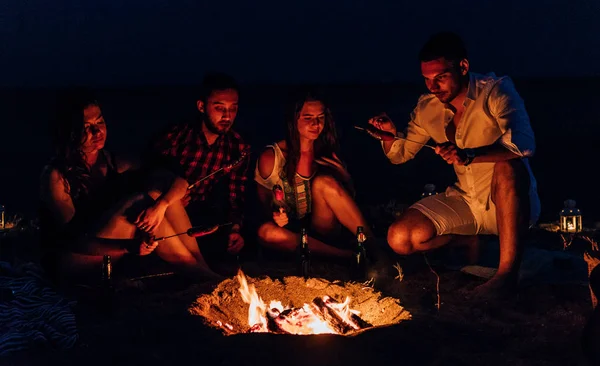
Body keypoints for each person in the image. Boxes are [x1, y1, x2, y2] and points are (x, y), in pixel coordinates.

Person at [370, 32, 540, 296]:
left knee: (509, 166)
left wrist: (470, 155)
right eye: (427, 79)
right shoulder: (428, 107)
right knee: (400, 238)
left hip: (509, 204)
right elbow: (401, 155)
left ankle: (506, 273)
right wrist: (389, 136)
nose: (433, 87)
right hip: (466, 201)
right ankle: (468, 242)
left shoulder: (495, 90)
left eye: (440, 77)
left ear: (463, 66)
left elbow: (523, 145)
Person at [39, 90, 220, 285]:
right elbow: (73, 241)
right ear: (71, 132)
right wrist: (128, 247)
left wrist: (161, 205)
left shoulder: (112, 161)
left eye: (99, 122)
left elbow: (177, 180)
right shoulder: (56, 176)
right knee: (139, 203)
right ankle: (203, 276)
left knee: (155, 195)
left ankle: (203, 270)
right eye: (86, 127)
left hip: (108, 255)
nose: (97, 132)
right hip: (71, 264)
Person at [255, 90, 383, 266]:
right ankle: (348, 257)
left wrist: (345, 178)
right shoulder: (272, 157)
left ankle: (374, 248)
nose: (316, 124)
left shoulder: (325, 152)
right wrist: (275, 215)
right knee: (267, 233)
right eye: (308, 117)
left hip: (323, 230)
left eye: (320, 117)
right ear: (294, 120)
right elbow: (263, 206)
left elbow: (345, 202)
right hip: (291, 235)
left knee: (323, 183)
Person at [147, 73, 250, 266]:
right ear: (202, 106)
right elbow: (150, 174)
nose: (227, 116)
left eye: (233, 109)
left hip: (200, 213)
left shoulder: (238, 147)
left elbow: (236, 196)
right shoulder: (176, 137)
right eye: (219, 108)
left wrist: (235, 228)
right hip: (164, 208)